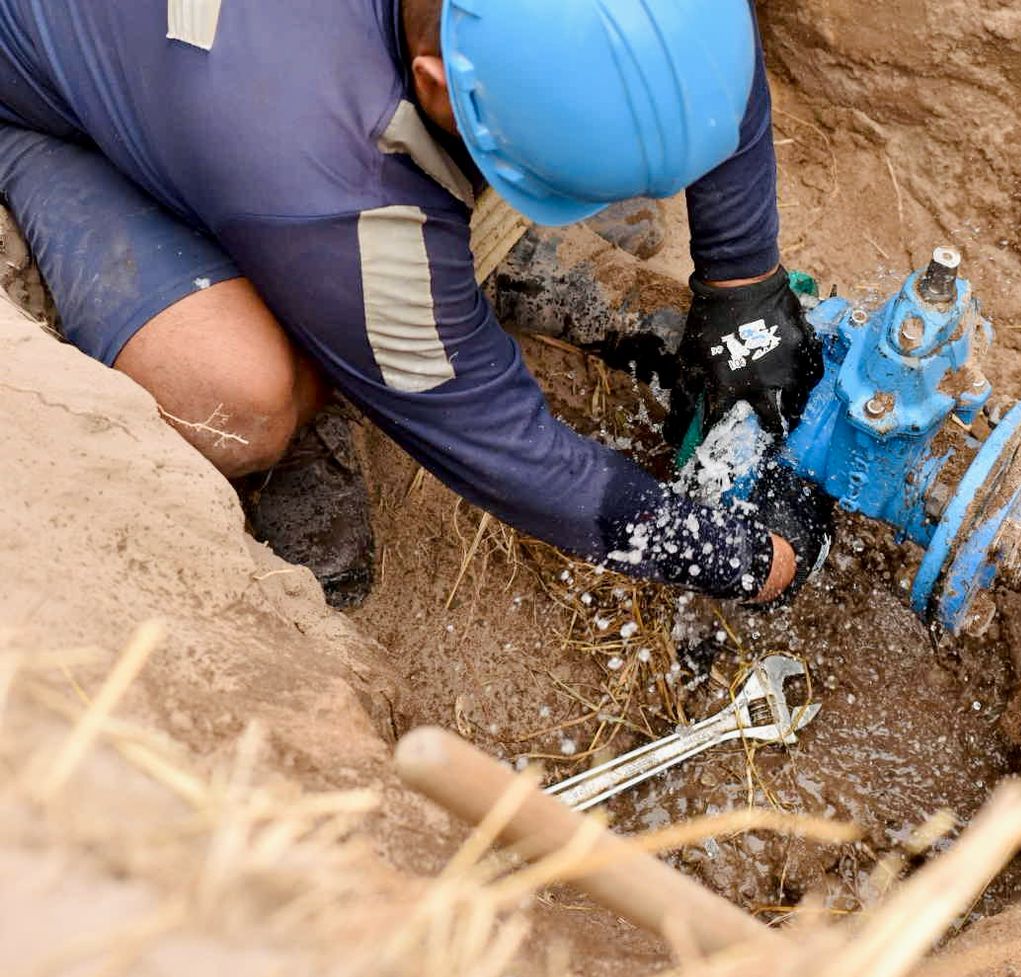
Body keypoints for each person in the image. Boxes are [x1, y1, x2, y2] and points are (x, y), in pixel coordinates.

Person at [0, 0, 831, 607]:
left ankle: (467, 234)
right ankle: (388, 282)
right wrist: (751, 561)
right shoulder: (327, 178)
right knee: (237, 395)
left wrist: (743, 283)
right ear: (435, 85)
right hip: (42, 105)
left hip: (207, 68)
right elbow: (503, 449)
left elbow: (689, 36)